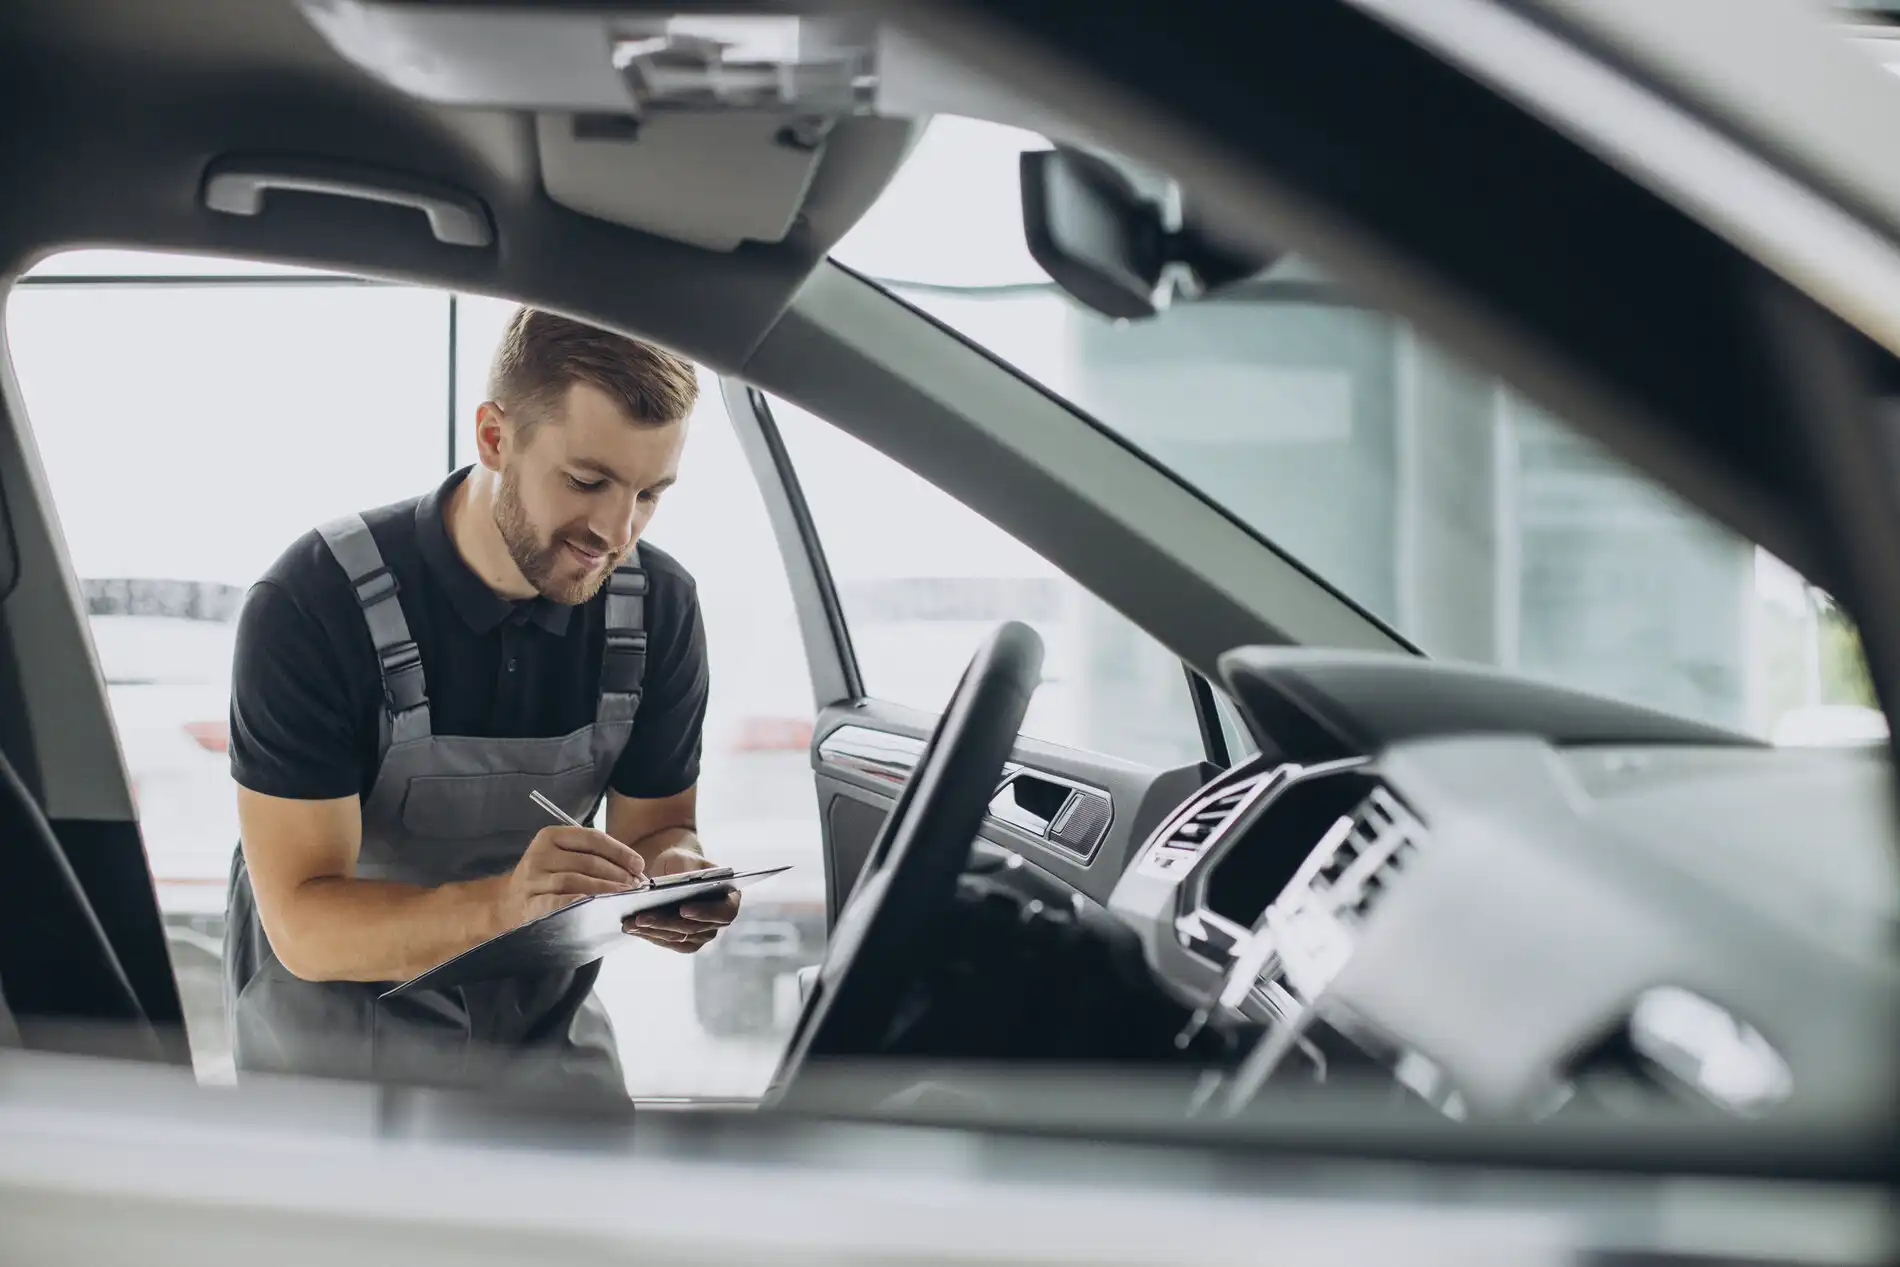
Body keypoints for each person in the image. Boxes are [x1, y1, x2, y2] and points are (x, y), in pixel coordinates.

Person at [221, 306, 734, 1096]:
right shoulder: (313, 603)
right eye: (588, 481)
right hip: (333, 1063)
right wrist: (504, 903)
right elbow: (304, 925)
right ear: (495, 437)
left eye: (649, 494)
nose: (615, 529)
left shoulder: (657, 606)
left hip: (540, 1043)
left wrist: (678, 878)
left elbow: (660, 825)